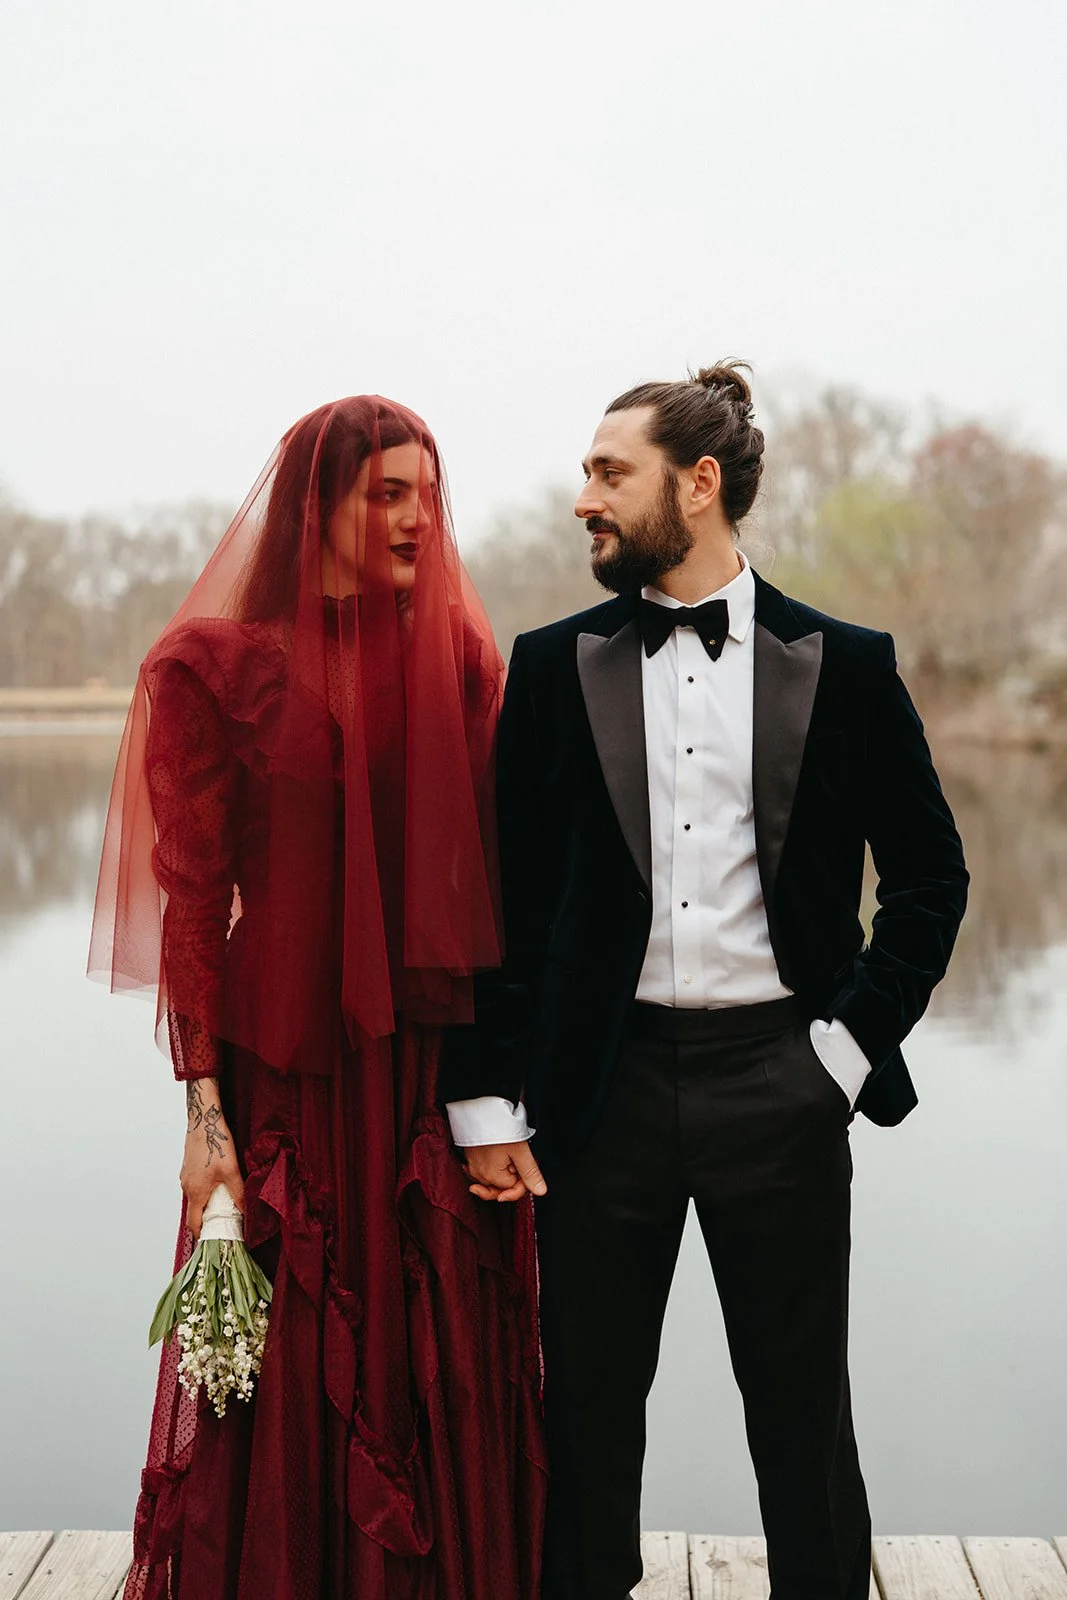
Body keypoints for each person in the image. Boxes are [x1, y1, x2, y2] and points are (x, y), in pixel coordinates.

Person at [441, 363, 969, 1600]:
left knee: (800, 1424)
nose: (584, 498)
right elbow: (495, 906)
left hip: (777, 1084)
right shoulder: (548, 665)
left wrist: (836, 1057)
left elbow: (931, 882)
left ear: (699, 482)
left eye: (606, 472)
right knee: (581, 1421)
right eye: (585, 472)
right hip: (596, 1095)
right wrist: (485, 1100)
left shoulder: (840, 663)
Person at [89, 396, 547, 1600]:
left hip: (422, 1070)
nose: (415, 516)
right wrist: (204, 1118)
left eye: (427, 493)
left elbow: (503, 885)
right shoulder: (212, 667)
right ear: (316, 508)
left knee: (431, 1330)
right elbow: (191, 895)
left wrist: (501, 1100)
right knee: (285, 1346)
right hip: (278, 1062)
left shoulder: (458, 660)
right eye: (385, 492)